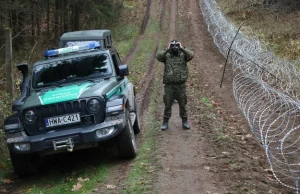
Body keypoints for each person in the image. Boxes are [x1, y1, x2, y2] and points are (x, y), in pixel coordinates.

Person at [156, 40, 194, 130]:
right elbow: (158, 57)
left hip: (181, 85)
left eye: (176, 45)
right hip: (169, 85)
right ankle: (165, 122)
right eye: (173, 45)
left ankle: (185, 121)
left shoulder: (183, 55)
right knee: (168, 104)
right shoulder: (167, 56)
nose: (174, 47)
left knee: (183, 104)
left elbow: (191, 55)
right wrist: (167, 49)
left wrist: (181, 47)